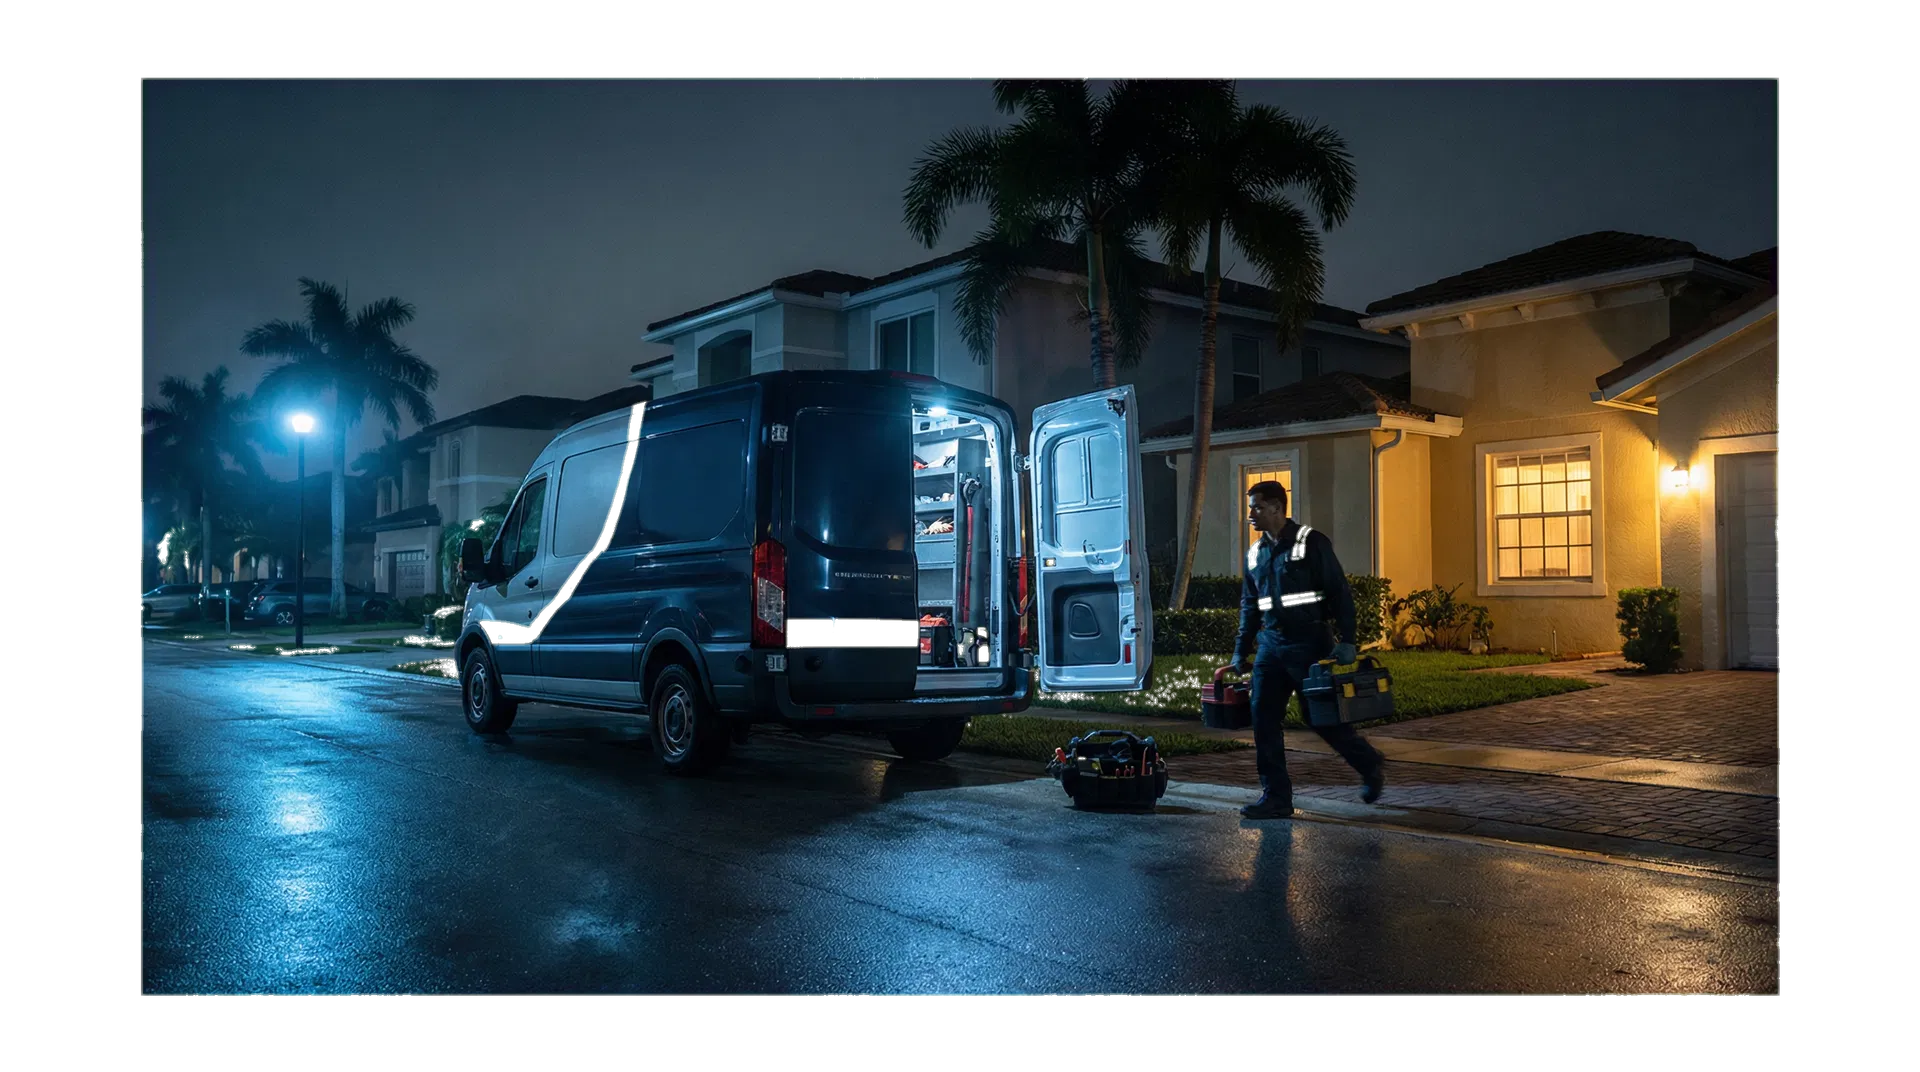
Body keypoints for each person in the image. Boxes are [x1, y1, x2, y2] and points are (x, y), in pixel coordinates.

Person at [1232, 480, 1385, 819]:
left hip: (1310, 643)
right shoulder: (1255, 554)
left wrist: (1347, 640)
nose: (1251, 514)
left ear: (1276, 507)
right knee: (1263, 720)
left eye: (1257, 506)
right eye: (1251, 507)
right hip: (1271, 647)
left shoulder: (1311, 543)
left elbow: (1339, 592)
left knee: (1322, 719)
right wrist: (1240, 652)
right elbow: (1250, 605)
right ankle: (1276, 797)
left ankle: (1369, 763)